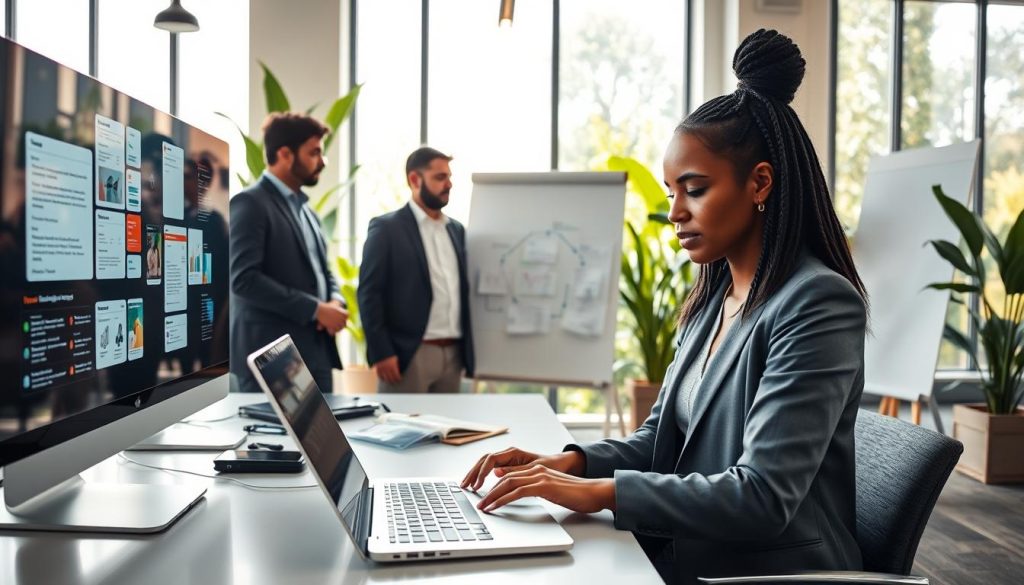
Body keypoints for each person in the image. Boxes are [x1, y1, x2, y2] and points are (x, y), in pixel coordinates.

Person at [460, 29, 868, 584]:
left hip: (766, 572)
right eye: (671, 190)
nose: (674, 211)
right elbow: (660, 441)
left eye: (694, 190)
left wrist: (594, 493)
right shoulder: (713, 299)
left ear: (760, 183)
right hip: (688, 552)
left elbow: (763, 497)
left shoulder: (817, 304)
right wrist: (566, 464)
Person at [230, 113, 348, 394]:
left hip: (316, 351)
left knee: (322, 435)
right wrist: (316, 309)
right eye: (314, 152)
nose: (322, 161)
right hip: (273, 359)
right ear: (284, 154)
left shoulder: (308, 211)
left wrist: (335, 301)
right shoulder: (250, 203)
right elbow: (244, 280)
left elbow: (324, 271)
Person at [358, 147, 475, 393]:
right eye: (440, 177)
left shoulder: (456, 230)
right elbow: (369, 294)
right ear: (414, 179)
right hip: (409, 355)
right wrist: (381, 352)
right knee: (404, 430)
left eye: (449, 177)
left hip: (453, 356)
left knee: (451, 430)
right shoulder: (386, 229)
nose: (449, 184)